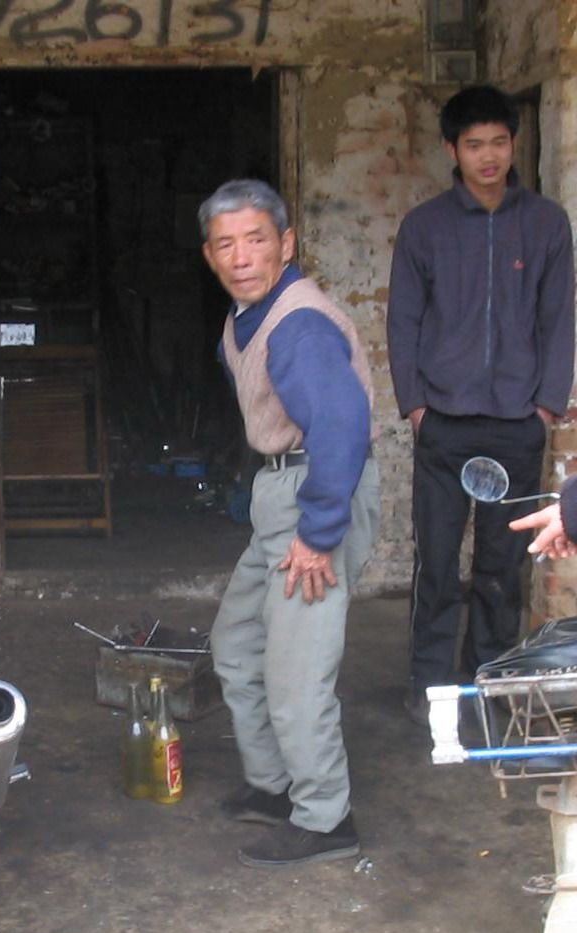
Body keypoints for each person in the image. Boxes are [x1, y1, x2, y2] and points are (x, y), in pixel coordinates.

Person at [199, 179, 380, 868]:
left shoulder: (298, 323)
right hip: (285, 494)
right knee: (238, 642)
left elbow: (340, 423)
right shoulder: (245, 318)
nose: (242, 256)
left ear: (286, 243)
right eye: (226, 244)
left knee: (296, 670)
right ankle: (274, 785)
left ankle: (325, 817)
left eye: (256, 239)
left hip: (319, 493)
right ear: (210, 255)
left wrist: (318, 530)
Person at [387, 85, 575, 724]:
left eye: (499, 141)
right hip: (444, 423)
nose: (488, 156)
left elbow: (558, 320)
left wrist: (546, 407)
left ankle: (490, 682)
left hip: (518, 423)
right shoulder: (426, 228)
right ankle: (432, 685)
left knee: (502, 568)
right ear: (452, 149)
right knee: (436, 562)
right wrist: (415, 404)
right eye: (474, 145)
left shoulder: (546, 224)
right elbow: (404, 320)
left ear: (514, 144)